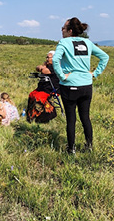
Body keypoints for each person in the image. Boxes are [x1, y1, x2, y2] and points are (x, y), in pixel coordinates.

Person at [52, 17, 109, 154]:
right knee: (85, 117)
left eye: (64, 27)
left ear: (70, 31)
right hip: (86, 86)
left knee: (71, 119)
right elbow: (104, 57)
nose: (62, 29)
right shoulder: (87, 42)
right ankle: (89, 147)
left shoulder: (64, 42)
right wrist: (94, 74)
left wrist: (61, 76)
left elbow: (55, 60)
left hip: (70, 85)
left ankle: (71, 149)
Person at [26, 50, 60, 124]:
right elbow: (37, 67)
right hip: (42, 88)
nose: (47, 59)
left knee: (38, 97)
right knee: (31, 94)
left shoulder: (56, 66)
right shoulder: (48, 65)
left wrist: (42, 67)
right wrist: (42, 67)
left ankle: (41, 116)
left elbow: (45, 71)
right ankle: (30, 114)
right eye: (46, 57)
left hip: (51, 89)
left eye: (48, 57)